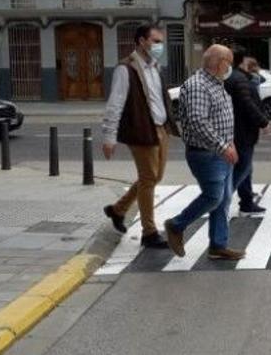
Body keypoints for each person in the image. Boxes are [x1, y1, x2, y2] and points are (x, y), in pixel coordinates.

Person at [164, 45, 246, 261]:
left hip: (221, 150)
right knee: (213, 196)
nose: (230, 67)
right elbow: (198, 122)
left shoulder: (216, 83)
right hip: (206, 153)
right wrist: (223, 146)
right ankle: (176, 225)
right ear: (219, 63)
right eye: (228, 62)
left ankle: (218, 245)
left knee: (224, 198)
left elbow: (221, 118)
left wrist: (230, 143)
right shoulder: (198, 86)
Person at [101, 25, 178, 248]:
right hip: (141, 130)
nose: (159, 46)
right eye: (155, 41)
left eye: (160, 41)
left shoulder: (155, 67)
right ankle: (149, 232)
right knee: (148, 179)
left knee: (154, 177)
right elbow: (115, 104)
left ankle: (117, 210)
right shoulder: (126, 69)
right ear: (142, 41)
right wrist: (109, 136)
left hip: (161, 129)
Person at [224, 48, 270, 217]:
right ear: (244, 60)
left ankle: (246, 201)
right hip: (242, 130)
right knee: (243, 167)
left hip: (238, 129)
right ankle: (223, 200)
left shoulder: (236, 77)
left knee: (245, 168)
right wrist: (263, 122)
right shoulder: (239, 79)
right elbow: (247, 104)